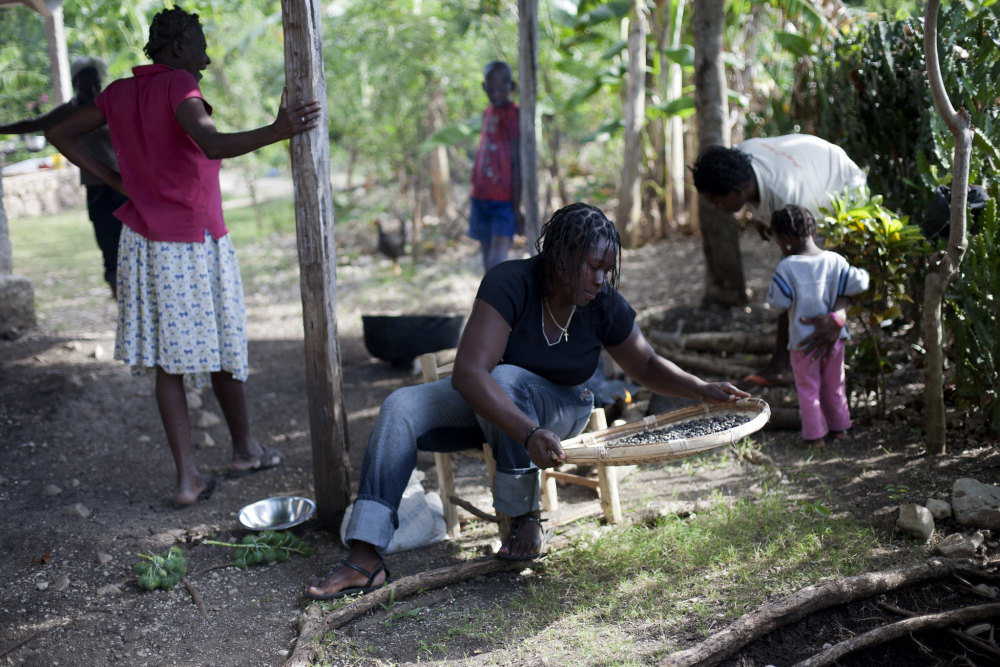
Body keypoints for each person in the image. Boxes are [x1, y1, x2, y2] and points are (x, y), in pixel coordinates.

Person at [304, 202, 749, 600]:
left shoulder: (603, 303)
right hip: (506, 412)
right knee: (401, 405)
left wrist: (701, 388)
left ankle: (524, 517)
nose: (600, 279)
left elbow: (646, 365)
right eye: (592, 266)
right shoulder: (510, 282)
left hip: (565, 406)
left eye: (606, 269)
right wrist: (528, 431)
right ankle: (365, 558)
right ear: (560, 255)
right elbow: (468, 374)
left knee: (508, 377)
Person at [46, 7, 322, 507]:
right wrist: (279, 129)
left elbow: (60, 132)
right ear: (177, 49)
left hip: (144, 243)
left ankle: (187, 478)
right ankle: (244, 450)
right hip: (194, 243)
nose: (207, 56)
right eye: (199, 45)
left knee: (167, 366)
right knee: (224, 345)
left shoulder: (119, 93)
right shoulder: (178, 86)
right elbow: (211, 144)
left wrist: (112, 180)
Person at [691, 134, 867, 388]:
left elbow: (837, 269)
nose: (716, 208)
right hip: (812, 168)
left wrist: (838, 314)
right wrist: (765, 219)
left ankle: (786, 363)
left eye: (717, 201)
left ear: (737, 192)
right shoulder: (739, 158)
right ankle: (781, 362)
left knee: (798, 278)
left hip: (841, 189)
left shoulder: (794, 202)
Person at [0, 57, 127, 298]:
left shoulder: (112, 106)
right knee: (109, 247)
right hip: (98, 189)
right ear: (75, 83)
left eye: (95, 83)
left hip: (127, 187)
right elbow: (34, 124)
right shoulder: (69, 113)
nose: (91, 89)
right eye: (85, 83)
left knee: (134, 242)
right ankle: (120, 301)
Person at [765, 205, 869, 449]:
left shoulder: (788, 267)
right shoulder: (835, 261)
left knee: (808, 388)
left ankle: (815, 437)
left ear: (785, 239)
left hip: (803, 342)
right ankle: (841, 428)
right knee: (835, 384)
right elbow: (859, 282)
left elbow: (778, 302)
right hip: (835, 339)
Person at [468, 60, 523, 272]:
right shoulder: (487, 113)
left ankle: (498, 300)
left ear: (511, 87)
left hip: (503, 200)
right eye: (491, 88)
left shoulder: (515, 114)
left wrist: (517, 206)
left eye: (502, 87)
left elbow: (517, 162)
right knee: (486, 259)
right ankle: (488, 301)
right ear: (484, 87)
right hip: (480, 196)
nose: (496, 92)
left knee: (497, 261)